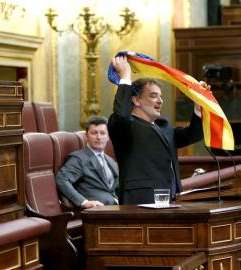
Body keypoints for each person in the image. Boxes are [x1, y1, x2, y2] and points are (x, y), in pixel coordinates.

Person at [108, 55, 207, 205]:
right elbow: (121, 114)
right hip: (140, 201)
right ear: (135, 100)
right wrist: (125, 76)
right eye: (154, 96)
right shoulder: (123, 125)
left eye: (160, 96)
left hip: (171, 198)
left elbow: (192, 135)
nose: (160, 100)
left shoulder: (163, 124)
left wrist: (199, 108)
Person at [55, 116, 119, 209]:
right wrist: (83, 202)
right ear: (86, 136)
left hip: (116, 209)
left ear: (108, 137)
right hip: (95, 213)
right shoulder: (79, 159)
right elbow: (61, 180)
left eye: (102, 133)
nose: (98, 137)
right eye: (94, 133)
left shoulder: (110, 160)